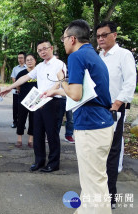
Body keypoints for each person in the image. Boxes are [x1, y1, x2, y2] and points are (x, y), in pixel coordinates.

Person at [59, 19, 114, 213]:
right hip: (100, 122)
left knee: (93, 182)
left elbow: (75, 93)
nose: (63, 41)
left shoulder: (76, 57)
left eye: (64, 38)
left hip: (91, 126)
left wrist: (61, 81)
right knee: (95, 180)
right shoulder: (91, 54)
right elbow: (85, 93)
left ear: (72, 39)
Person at [1, 40, 65, 173]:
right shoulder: (40, 66)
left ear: (51, 48)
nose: (42, 52)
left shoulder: (59, 64)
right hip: (39, 102)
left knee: (52, 134)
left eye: (45, 49)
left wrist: (50, 92)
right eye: (40, 50)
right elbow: (25, 77)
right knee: (38, 133)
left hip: (53, 102)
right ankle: (39, 161)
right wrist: (10, 87)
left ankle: (53, 163)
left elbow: (60, 81)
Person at [96, 21, 136, 209]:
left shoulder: (123, 55)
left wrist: (117, 104)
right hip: (97, 108)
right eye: (98, 36)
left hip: (114, 109)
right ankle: (97, 192)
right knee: (98, 152)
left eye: (105, 35)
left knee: (112, 152)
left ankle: (110, 196)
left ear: (115, 35)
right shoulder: (99, 56)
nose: (101, 39)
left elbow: (129, 83)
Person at [15, 54, 37, 148]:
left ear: (35, 61)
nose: (29, 61)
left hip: (35, 101)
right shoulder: (22, 73)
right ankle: (19, 139)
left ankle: (30, 140)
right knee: (21, 119)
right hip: (23, 100)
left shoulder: (38, 73)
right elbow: (17, 85)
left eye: (31, 59)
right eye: (27, 60)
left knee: (33, 120)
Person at [10, 52, 27, 128]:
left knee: (23, 108)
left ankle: (22, 123)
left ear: (24, 58)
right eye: (18, 58)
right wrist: (17, 87)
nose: (19, 59)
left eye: (21, 58)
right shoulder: (15, 68)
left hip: (25, 91)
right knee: (15, 107)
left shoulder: (27, 68)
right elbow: (13, 78)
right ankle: (15, 122)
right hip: (16, 91)